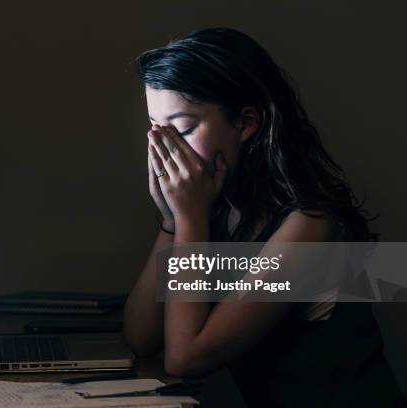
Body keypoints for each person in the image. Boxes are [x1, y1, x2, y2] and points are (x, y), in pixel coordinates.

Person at [123, 27, 404, 407]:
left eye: (184, 129)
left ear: (246, 122)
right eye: (157, 132)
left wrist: (189, 219)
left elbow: (185, 357)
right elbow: (142, 339)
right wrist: (172, 222)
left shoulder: (310, 225)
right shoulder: (219, 212)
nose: (167, 150)